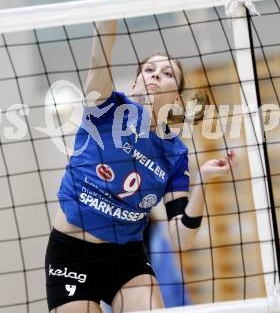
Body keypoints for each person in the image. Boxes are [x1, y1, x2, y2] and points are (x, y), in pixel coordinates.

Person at [45, 17, 236, 313]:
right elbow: (99, 59)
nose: (156, 74)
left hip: (126, 259)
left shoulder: (175, 154)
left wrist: (202, 182)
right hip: (72, 253)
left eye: (167, 73)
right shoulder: (105, 109)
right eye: (149, 70)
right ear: (134, 84)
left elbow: (180, 239)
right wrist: (112, 0)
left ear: (176, 98)